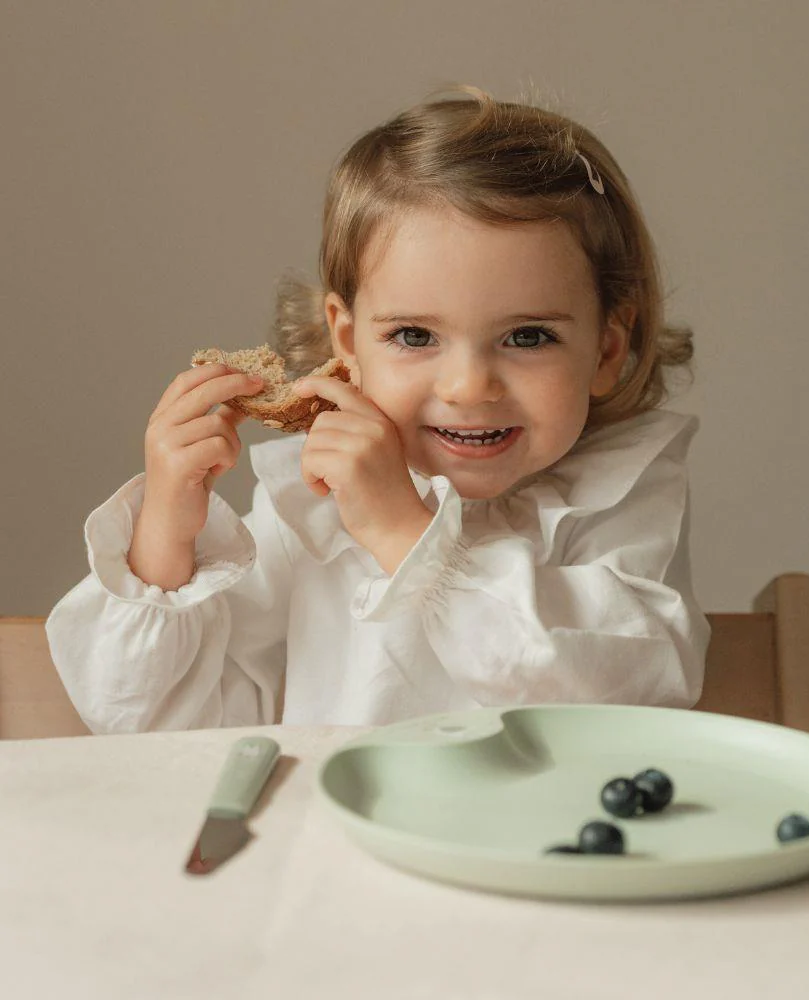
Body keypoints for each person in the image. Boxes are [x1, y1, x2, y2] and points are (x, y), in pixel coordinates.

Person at [46, 86, 711, 733]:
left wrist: (405, 535)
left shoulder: (617, 496)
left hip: (544, 842)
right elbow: (156, 724)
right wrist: (166, 533)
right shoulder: (311, 505)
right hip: (334, 838)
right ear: (348, 340)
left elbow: (629, 690)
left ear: (605, 349)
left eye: (528, 336)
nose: (469, 386)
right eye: (415, 336)